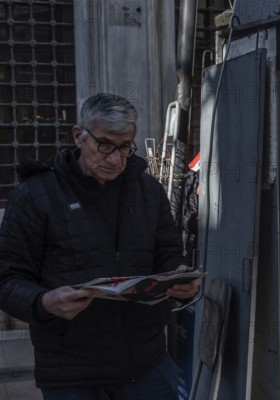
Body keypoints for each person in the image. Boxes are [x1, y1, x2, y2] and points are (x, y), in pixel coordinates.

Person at [0, 93, 200, 400]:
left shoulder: (148, 191)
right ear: (79, 136)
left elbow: (167, 252)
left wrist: (179, 275)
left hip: (148, 364)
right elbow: (7, 279)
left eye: (124, 147)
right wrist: (43, 302)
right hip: (72, 373)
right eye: (105, 145)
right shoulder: (35, 195)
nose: (115, 159)